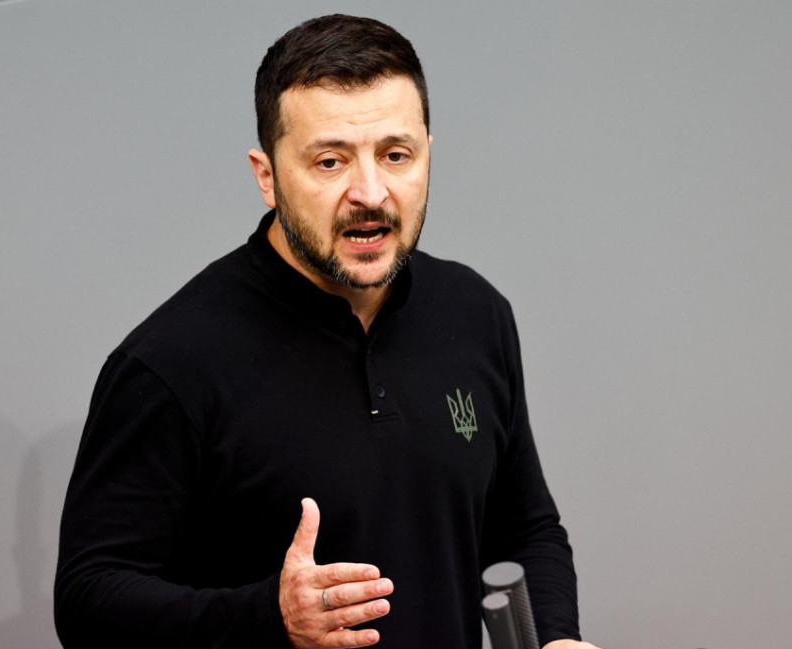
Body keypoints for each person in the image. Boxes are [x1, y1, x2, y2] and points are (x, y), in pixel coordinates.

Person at [55, 14, 602, 649]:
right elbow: (89, 601)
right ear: (267, 176)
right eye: (330, 161)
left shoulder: (475, 313)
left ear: (429, 153)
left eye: (396, 155)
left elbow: (522, 528)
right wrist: (269, 617)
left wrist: (554, 638)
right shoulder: (172, 362)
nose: (370, 192)